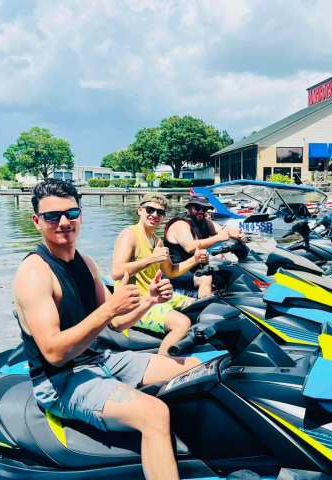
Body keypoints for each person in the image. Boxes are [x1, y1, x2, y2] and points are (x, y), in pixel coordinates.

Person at [13, 179, 198, 480]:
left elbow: (116, 323)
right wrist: (110, 308)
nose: (63, 222)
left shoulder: (85, 263)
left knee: (193, 369)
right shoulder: (34, 273)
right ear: (37, 221)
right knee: (155, 414)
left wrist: (149, 300)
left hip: (98, 359)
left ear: (80, 216)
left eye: (71, 214)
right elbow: (54, 352)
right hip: (59, 381)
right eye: (51, 216)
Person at [111, 193, 208, 356]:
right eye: (150, 210)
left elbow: (170, 271)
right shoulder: (130, 234)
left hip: (156, 296)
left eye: (160, 213)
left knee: (204, 305)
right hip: (135, 303)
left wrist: (195, 259)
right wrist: (152, 258)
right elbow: (116, 272)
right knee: (182, 324)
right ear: (140, 210)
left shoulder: (157, 241)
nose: (155, 215)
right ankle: (160, 365)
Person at [164, 194, 246, 297]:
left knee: (227, 268)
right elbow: (190, 247)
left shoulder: (205, 222)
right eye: (198, 208)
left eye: (205, 209)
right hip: (177, 269)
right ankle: (202, 308)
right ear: (189, 208)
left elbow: (224, 230)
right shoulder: (180, 224)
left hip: (195, 266)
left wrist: (238, 234)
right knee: (205, 278)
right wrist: (218, 238)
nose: (201, 211)